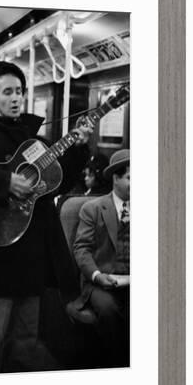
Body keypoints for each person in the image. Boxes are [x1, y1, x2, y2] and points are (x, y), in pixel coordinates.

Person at [0, 61, 93, 375]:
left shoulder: (36, 143)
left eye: (19, 91)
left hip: (31, 254)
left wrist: (78, 149)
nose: (15, 98)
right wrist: (4, 182)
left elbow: (59, 181)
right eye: (7, 92)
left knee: (25, 341)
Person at [72, 149, 130, 367]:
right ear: (115, 178)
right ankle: (117, 367)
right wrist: (97, 275)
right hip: (100, 283)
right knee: (109, 310)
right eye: (130, 178)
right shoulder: (93, 209)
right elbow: (82, 249)